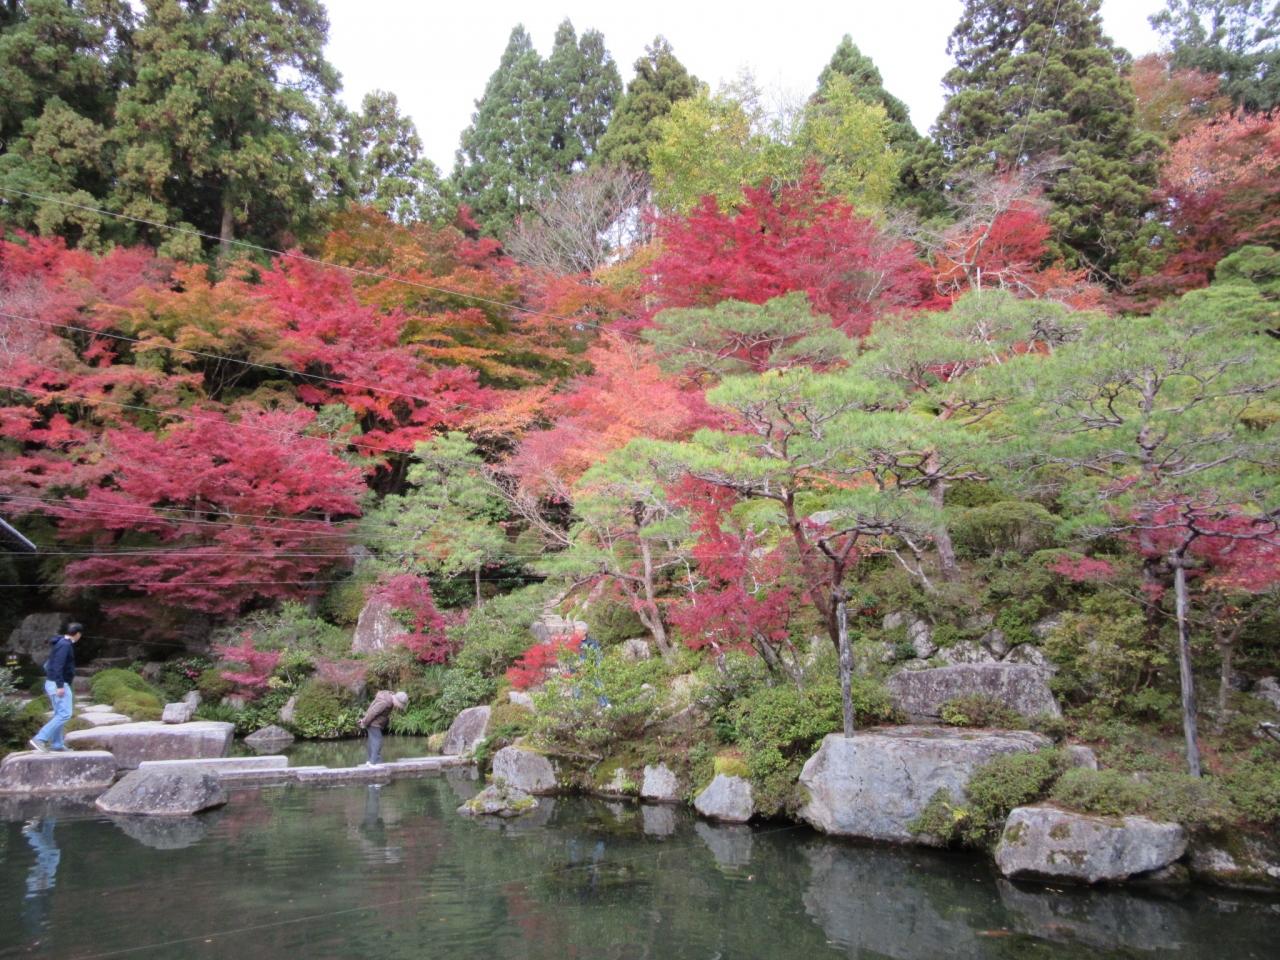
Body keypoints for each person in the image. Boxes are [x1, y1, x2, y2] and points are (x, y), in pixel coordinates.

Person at [29, 623, 82, 753]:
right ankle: (39, 738)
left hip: (53, 683)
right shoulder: (65, 645)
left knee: (59, 714)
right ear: (78, 634)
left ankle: (57, 744)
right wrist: (59, 685)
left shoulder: (60, 642)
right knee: (65, 714)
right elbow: (58, 666)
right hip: (59, 684)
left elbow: (48, 665)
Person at [357, 689, 407, 766]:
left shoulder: (389, 700)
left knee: (372, 741)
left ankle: (370, 761)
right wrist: (364, 722)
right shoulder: (384, 702)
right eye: (399, 704)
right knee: (377, 741)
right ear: (396, 700)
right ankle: (374, 763)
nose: (399, 706)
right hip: (374, 724)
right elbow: (372, 712)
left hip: (375, 724)